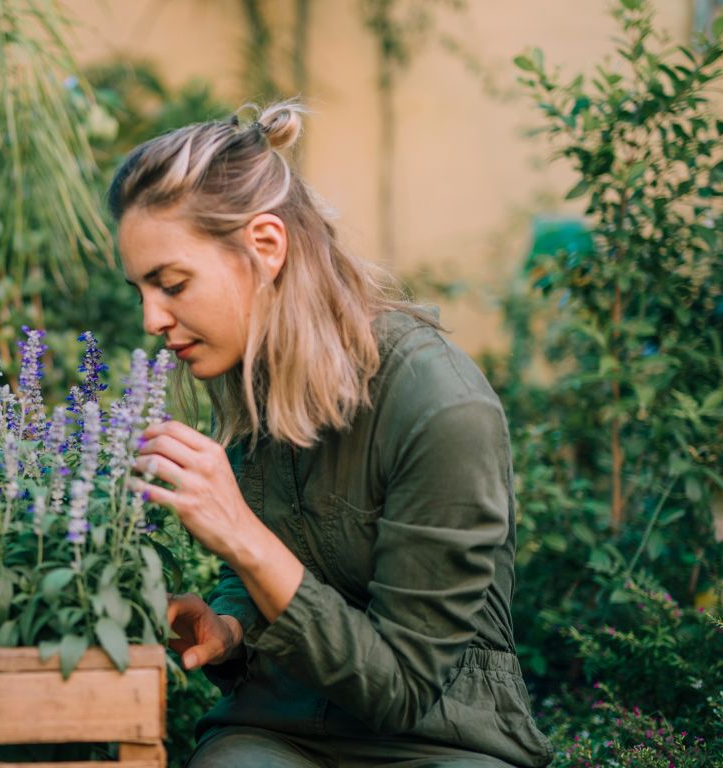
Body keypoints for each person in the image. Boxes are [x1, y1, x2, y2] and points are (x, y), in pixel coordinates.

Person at [111, 101, 555, 768]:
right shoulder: (247, 372)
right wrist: (230, 625)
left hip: (442, 738)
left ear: (264, 247)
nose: (151, 318)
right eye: (140, 291)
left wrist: (240, 532)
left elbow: (402, 689)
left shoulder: (441, 407)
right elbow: (279, 551)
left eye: (171, 284)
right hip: (278, 726)